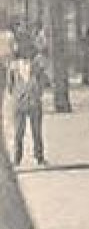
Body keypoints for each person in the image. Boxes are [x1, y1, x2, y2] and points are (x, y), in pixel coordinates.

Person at [7, 37, 48, 166]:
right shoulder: (13, 67)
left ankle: (38, 156)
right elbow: (10, 85)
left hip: (32, 101)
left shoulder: (36, 65)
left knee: (36, 131)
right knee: (19, 132)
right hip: (21, 102)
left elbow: (43, 80)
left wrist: (38, 92)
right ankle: (18, 157)